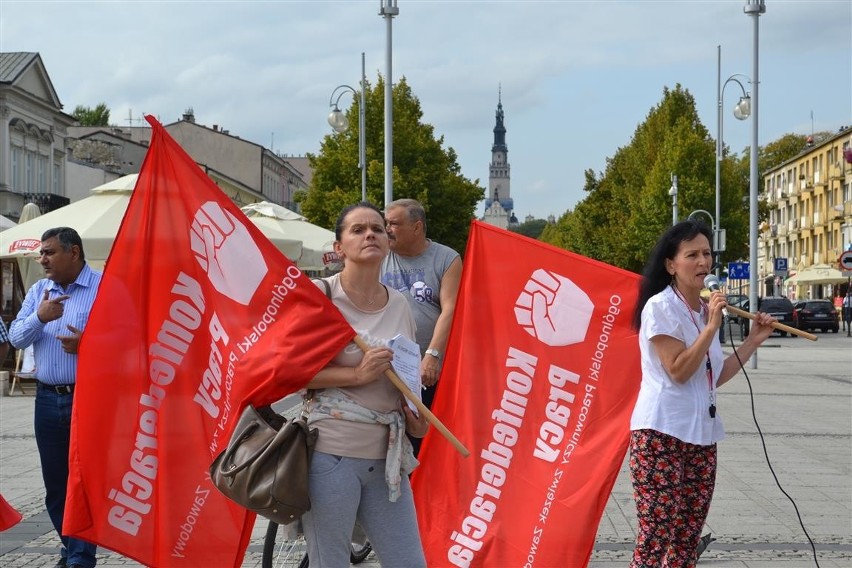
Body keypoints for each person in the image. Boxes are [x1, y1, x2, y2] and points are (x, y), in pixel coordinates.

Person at [629, 220, 777, 567]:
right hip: (660, 435)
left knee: (686, 537)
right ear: (671, 265)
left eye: (707, 254)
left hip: (701, 436)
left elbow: (713, 375)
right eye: (692, 255)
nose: (702, 263)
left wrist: (752, 340)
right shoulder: (660, 308)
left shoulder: (700, 310)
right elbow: (679, 370)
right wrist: (712, 326)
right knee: (656, 535)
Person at [302, 202, 429, 567]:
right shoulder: (320, 297)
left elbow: (404, 376)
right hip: (331, 455)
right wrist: (357, 375)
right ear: (339, 247)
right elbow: (292, 375)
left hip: (387, 459)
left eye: (377, 228)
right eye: (357, 229)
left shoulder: (400, 304)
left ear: (388, 243)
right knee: (332, 562)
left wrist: (415, 413)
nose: (370, 234)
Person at [9, 227, 101, 568]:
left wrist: (87, 346)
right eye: (41, 253)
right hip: (46, 400)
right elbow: (16, 338)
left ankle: (79, 558)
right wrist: (39, 317)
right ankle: (70, 549)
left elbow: (130, 341)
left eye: (49, 252)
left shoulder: (103, 287)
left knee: (84, 484)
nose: (42, 259)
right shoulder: (38, 290)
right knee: (56, 487)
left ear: (73, 252)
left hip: (88, 399)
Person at [381, 198, 461, 456]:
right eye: (385, 224)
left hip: (426, 371)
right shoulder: (379, 254)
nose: (386, 230)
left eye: (393, 224)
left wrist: (433, 355)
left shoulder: (446, 258)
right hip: (385, 365)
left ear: (417, 227)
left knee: (421, 441)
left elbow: (449, 309)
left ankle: (415, 492)